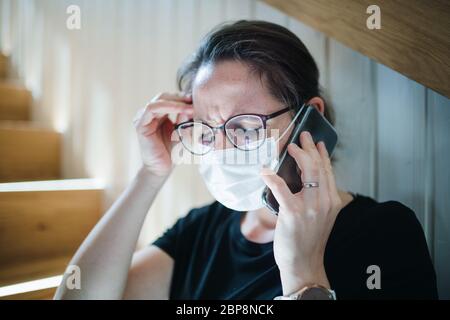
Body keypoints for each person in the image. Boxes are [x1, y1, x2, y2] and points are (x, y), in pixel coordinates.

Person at [54, 20, 438, 300]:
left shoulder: (384, 233)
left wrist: (304, 276)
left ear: (309, 120)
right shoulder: (203, 227)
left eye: (247, 126)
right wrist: (150, 174)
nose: (220, 148)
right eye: (207, 128)